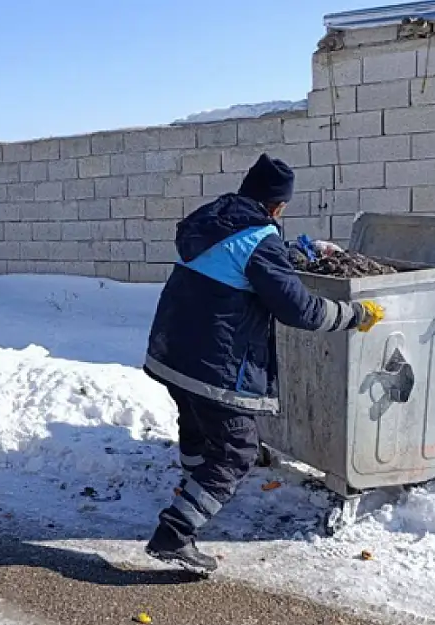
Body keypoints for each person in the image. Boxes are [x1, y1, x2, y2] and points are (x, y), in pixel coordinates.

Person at [142, 153, 384, 573]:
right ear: (277, 205)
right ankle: (175, 534)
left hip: (172, 351)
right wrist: (354, 316)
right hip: (212, 364)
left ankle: (191, 489)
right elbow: (300, 310)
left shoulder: (217, 222)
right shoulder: (259, 240)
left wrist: (297, 251)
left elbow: (239, 260)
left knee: (198, 425)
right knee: (236, 451)